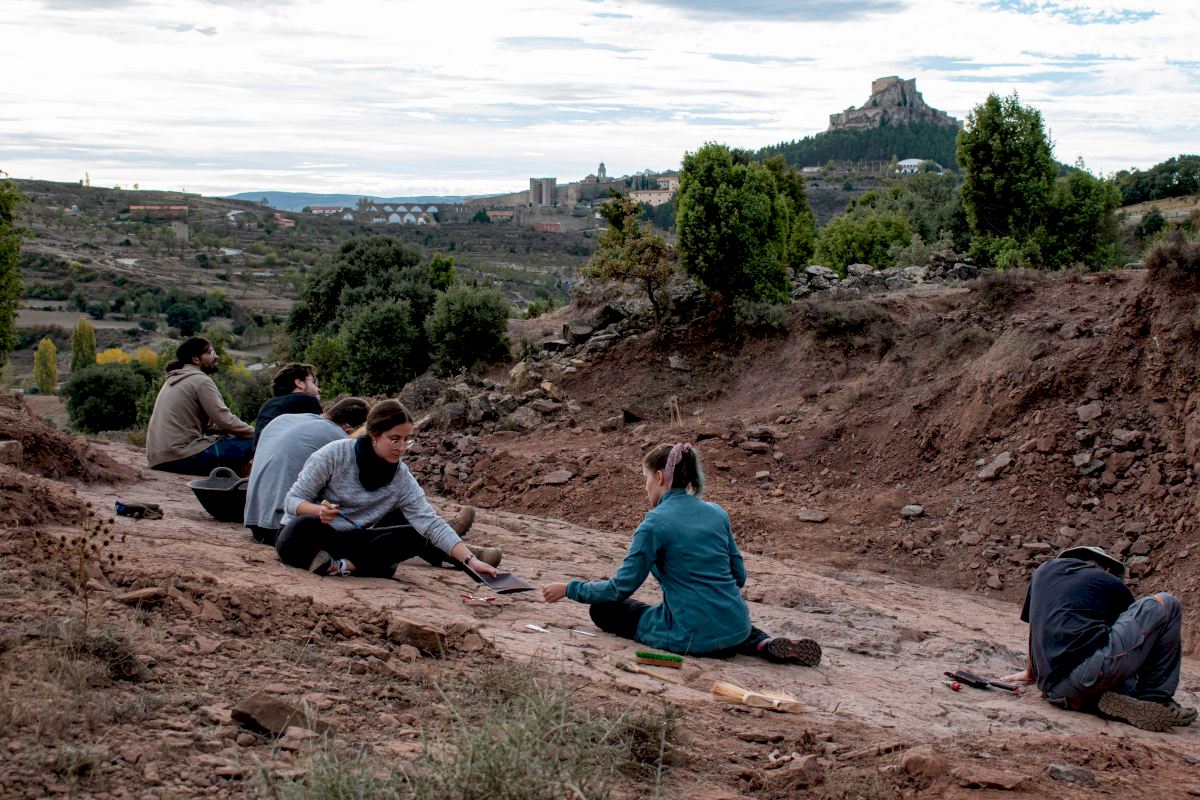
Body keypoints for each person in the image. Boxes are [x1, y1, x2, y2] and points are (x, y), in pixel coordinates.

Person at [543, 443, 822, 664]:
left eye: (646, 478)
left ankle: (721, 637)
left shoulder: (653, 524)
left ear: (660, 477)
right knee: (725, 618)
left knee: (605, 609)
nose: (645, 486)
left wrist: (569, 588)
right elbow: (739, 576)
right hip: (736, 625)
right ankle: (761, 643)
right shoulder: (717, 513)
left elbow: (620, 588)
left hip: (691, 637)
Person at [275, 399, 499, 578]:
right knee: (304, 526)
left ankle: (342, 566)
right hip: (311, 535)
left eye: (406, 440)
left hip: (349, 541)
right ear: (374, 435)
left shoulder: (401, 477)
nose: (401, 448)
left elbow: (431, 523)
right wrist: (318, 511)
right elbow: (292, 501)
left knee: (416, 535)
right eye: (394, 439)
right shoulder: (334, 454)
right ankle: (373, 565)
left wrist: (471, 561)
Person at [1002, 546, 1197, 732]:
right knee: (1166, 604)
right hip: (1088, 675)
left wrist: (1031, 674)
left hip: (1053, 690)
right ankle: (1157, 699)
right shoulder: (1108, 581)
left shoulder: (1042, 573)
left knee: (1104, 666)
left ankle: (1098, 699)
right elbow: (1142, 637)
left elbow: (1036, 630)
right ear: (1108, 568)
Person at [244, 397, 371, 546]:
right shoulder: (338, 438)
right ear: (349, 429)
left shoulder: (282, 420)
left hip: (254, 521)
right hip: (283, 528)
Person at [145, 337, 254, 475]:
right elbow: (225, 421)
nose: (216, 356)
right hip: (181, 458)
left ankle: (234, 471)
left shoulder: (174, 379)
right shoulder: (201, 380)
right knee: (256, 441)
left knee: (222, 438)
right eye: (210, 352)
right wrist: (259, 433)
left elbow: (215, 426)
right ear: (196, 359)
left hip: (159, 458)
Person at [253, 362, 323, 448]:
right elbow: (322, 434)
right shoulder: (307, 399)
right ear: (299, 383)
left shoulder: (267, 406)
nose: (318, 390)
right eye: (313, 382)